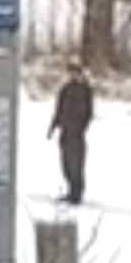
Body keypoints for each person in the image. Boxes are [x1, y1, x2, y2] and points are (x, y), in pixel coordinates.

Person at [48, 63, 95, 205]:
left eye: (76, 73)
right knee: (65, 163)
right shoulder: (65, 89)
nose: (73, 75)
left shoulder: (85, 90)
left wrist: (82, 127)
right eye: (71, 73)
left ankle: (77, 194)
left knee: (76, 164)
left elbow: (89, 112)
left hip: (76, 133)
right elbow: (59, 109)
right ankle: (70, 190)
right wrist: (53, 126)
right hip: (65, 131)